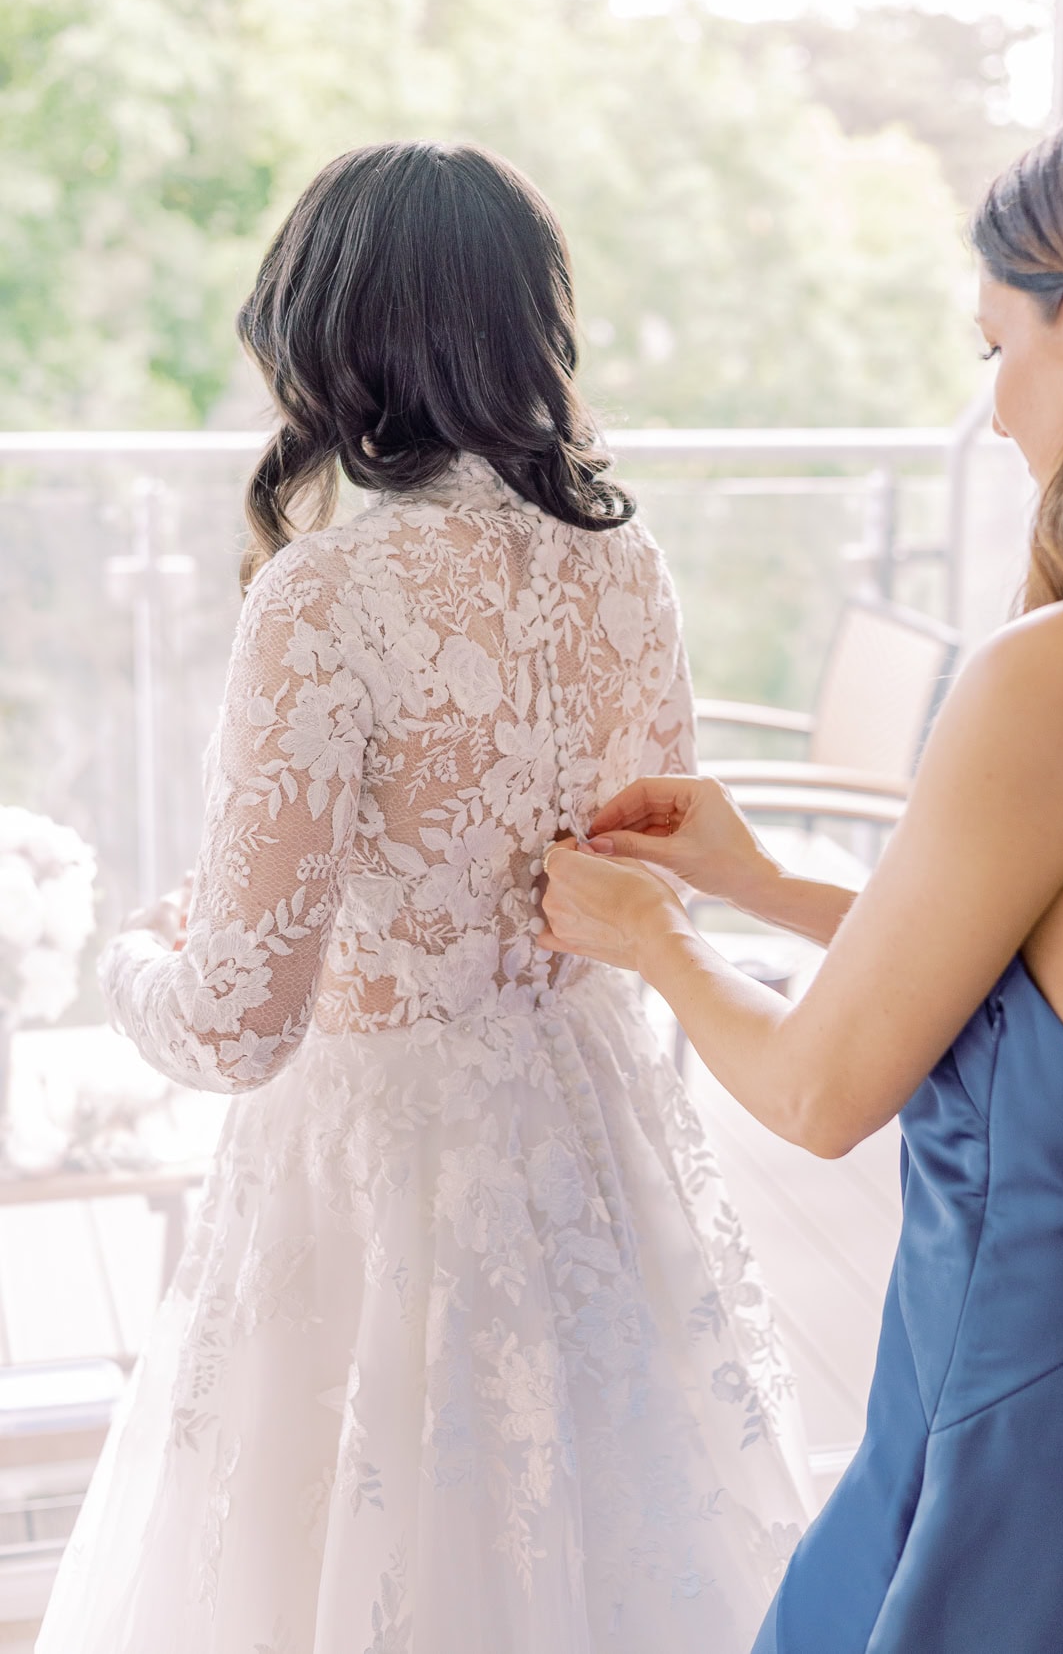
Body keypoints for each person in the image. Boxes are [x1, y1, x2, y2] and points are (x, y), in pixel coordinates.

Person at [34, 142, 812, 1654]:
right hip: (583, 1124)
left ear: (322, 332)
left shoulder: (323, 593)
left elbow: (241, 1030)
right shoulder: (621, 559)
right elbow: (628, 859)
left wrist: (132, 961)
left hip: (373, 1168)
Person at [540, 81, 1063, 1653]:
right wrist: (763, 886)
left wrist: (659, 941)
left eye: (993, 351)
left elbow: (822, 1095)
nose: (1000, 405)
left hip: (1039, 1466)